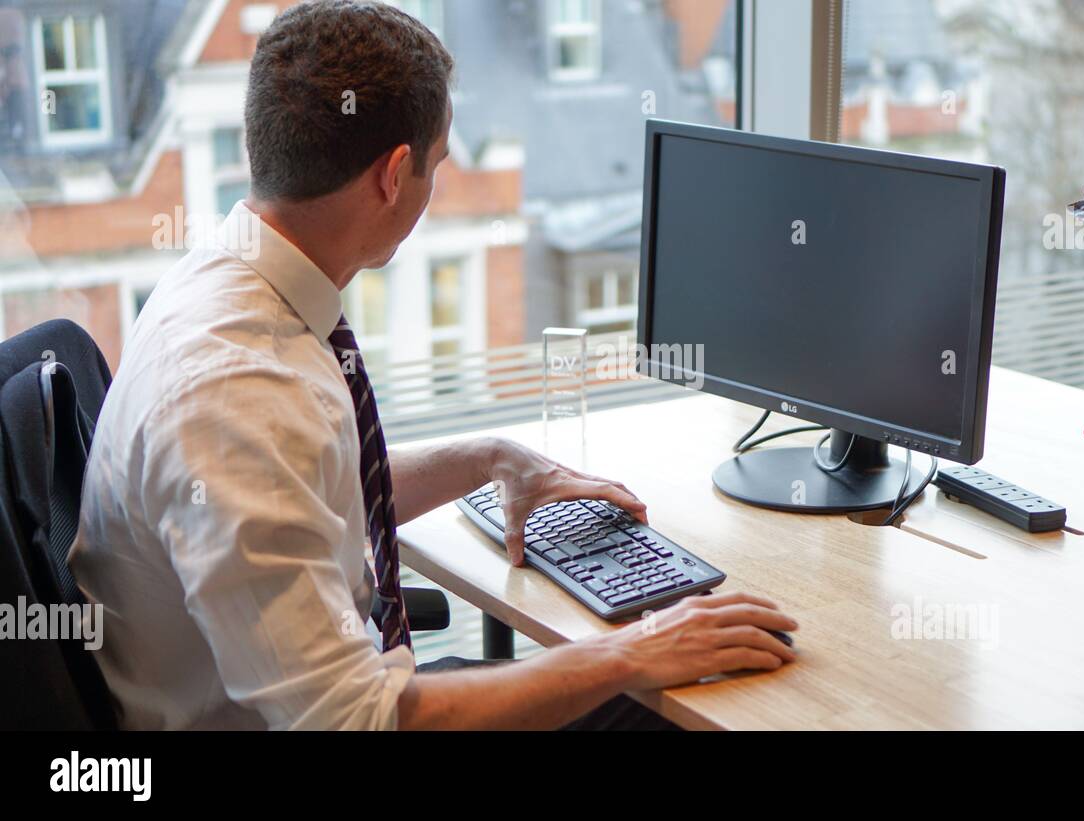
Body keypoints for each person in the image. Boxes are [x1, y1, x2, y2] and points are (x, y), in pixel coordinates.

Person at [69, 0, 796, 731]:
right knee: (671, 708)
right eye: (437, 163)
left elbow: (304, 488)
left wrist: (487, 456)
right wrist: (632, 651)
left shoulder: (230, 277)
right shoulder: (236, 395)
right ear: (393, 175)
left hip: (314, 692)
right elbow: (356, 718)